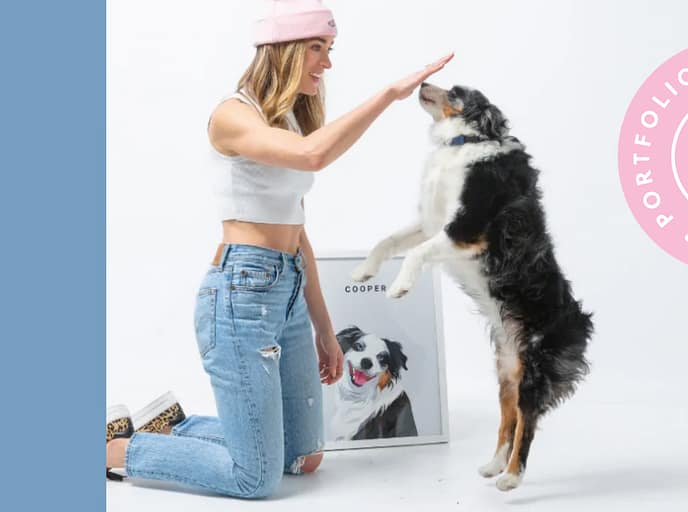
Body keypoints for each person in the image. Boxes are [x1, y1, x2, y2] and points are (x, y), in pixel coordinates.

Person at [104, 0, 453, 498]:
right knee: (256, 478)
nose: (326, 63)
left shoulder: (287, 120)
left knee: (304, 457)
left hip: (285, 285)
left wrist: (326, 332)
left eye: (330, 50)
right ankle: (114, 449)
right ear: (282, 50)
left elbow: (298, 232)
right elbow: (316, 155)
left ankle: (171, 427)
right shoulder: (232, 115)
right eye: (317, 48)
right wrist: (389, 95)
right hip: (241, 295)